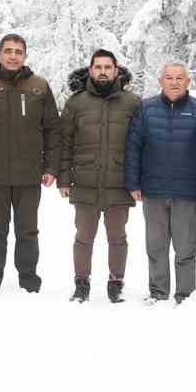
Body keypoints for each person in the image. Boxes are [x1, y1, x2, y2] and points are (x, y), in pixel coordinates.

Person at [0, 34, 60, 294]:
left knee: (28, 231)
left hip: (29, 175)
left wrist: (51, 167)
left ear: (25, 55)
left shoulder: (39, 86)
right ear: (0, 54)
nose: (13, 56)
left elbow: (52, 130)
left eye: (18, 51)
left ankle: (28, 280)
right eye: (8, 51)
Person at [125, 63, 196, 302]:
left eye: (179, 78)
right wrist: (133, 182)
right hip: (153, 191)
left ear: (188, 82)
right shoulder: (145, 109)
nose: (174, 82)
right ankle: (158, 292)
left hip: (188, 193)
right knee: (156, 247)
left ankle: (184, 294)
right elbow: (133, 147)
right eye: (169, 77)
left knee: (185, 249)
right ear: (161, 81)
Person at [59, 50, 142, 303]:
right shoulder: (76, 103)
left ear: (116, 70)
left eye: (108, 67)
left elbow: (141, 145)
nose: (103, 71)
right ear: (91, 70)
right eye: (98, 67)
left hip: (119, 182)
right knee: (83, 237)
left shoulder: (133, 102)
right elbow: (65, 143)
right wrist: (64, 179)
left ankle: (116, 283)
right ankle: (81, 283)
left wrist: (138, 180)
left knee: (118, 237)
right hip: (85, 182)